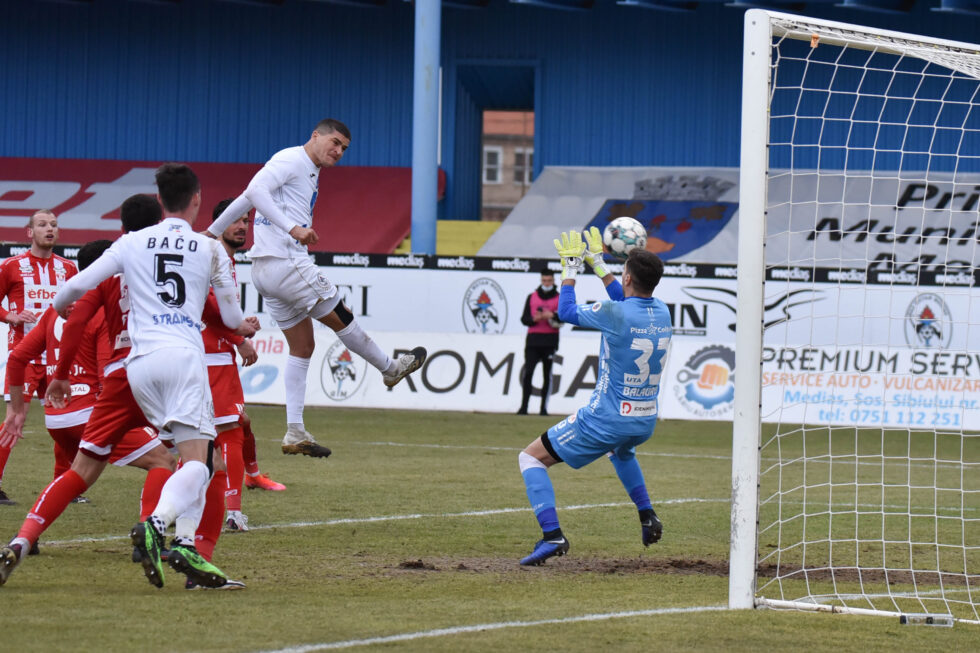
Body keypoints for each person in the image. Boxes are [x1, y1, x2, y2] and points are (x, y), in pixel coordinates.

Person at [52, 165, 256, 589]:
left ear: (160, 200)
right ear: (196, 199)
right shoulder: (209, 247)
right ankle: (159, 525)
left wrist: (58, 308)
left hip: (138, 365)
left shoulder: (131, 241)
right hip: (183, 358)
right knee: (202, 464)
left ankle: (184, 544)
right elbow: (232, 318)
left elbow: (71, 291)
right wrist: (243, 328)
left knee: (195, 458)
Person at [208, 118, 427, 458]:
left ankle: (294, 430)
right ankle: (390, 368)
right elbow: (253, 192)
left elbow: (245, 198)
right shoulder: (292, 159)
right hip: (287, 261)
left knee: (303, 347)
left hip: (266, 270)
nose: (338, 151)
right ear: (316, 135)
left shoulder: (307, 170)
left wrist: (210, 233)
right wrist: (293, 228)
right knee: (343, 316)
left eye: (344, 148)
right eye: (335, 142)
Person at [517, 228, 671, 566]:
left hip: (607, 418)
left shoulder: (617, 314)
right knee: (621, 451)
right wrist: (598, 263)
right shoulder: (662, 311)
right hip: (644, 419)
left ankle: (552, 535)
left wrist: (571, 267)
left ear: (627, 276)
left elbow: (567, 312)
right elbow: (626, 299)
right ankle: (647, 515)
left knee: (530, 459)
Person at [204, 197, 283, 533]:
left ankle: (251, 476)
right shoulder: (212, 256)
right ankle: (232, 511)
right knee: (227, 433)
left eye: (246, 221)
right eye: (235, 220)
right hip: (209, 357)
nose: (241, 226)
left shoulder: (226, 261)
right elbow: (206, 306)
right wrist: (239, 336)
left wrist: (238, 326)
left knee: (236, 425)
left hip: (207, 356)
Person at [0, 210, 77, 504]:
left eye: (54, 225)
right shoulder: (11, 266)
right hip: (25, 357)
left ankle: (64, 485)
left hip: (58, 359)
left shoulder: (69, 269)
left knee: (65, 420)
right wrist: (10, 316)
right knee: (14, 419)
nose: (50, 229)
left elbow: (78, 307)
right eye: (42, 225)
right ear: (29, 232)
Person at [517, 268, 561, 416]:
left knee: (546, 375)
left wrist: (552, 316)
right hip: (533, 341)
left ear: (553, 281)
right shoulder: (532, 297)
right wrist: (534, 319)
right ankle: (524, 407)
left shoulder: (559, 298)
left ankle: (543, 409)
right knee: (528, 373)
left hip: (550, 341)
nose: (546, 283)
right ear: (541, 281)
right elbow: (524, 319)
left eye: (549, 281)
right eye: (544, 281)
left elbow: (564, 318)